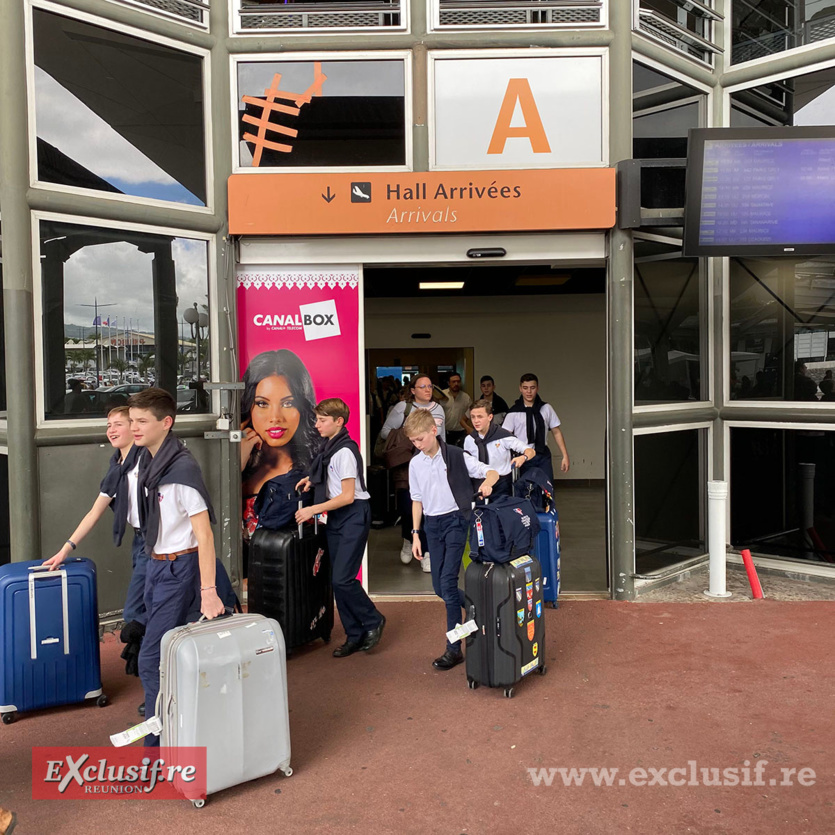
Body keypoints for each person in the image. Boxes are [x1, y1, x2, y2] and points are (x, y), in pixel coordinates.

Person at [129, 388, 224, 747]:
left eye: (142, 421)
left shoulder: (181, 470)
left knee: (153, 656)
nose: (134, 428)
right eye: (132, 420)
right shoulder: (148, 464)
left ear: (166, 423)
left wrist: (209, 591)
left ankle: (160, 746)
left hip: (178, 568)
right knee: (173, 653)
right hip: (157, 565)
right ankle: (184, 730)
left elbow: (205, 535)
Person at [42, 405, 149, 711]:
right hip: (141, 542)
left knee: (138, 613)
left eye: (118, 424)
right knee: (142, 614)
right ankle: (154, 683)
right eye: (109, 425)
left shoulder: (150, 460)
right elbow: (95, 511)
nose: (112, 430)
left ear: (135, 428)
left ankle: (156, 685)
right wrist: (66, 548)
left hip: (161, 545)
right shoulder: (117, 466)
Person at [405, 408, 499, 671]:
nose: (418, 445)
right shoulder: (416, 463)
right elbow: (417, 500)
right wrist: (415, 534)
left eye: (420, 439)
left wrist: (488, 482)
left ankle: (453, 648)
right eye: (413, 441)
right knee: (439, 587)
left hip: (457, 520)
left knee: (447, 583)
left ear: (433, 431)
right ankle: (477, 610)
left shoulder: (456, 456)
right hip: (431, 525)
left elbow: (490, 471)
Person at [295, 398, 385, 658]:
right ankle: (354, 635)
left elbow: (347, 496)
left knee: (342, 579)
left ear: (339, 422)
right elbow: (328, 475)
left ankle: (373, 620)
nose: (317, 425)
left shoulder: (344, 451)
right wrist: (312, 481)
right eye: (317, 419)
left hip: (352, 514)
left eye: (322, 420)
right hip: (338, 516)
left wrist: (313, 509)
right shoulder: (330, 447)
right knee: (338, 581)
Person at [240, 350, 319, 547]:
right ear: (248, 407)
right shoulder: (238, 466)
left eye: (288, 403)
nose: (275, 417)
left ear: (302, 408)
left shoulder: (315, 467)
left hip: (295, 574)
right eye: (262, 403)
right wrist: (236, 461)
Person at [380, 375, 446, 571]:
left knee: (429, 509)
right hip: (406, 465)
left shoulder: (439, 409)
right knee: (408, 508)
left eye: (430, 386)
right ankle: (408, 539)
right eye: (422, 386)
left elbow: (443, 436)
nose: (427, 390)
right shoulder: (403, 408)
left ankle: (426, 551)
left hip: (433, 464)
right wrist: (411, 437)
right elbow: (385, 432)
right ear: (412, 390)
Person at [502, 373, 570, 484]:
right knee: (525, 490)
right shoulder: (513, 412)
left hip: (542, 454)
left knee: (547, 488)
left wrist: (565, 456)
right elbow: (505, 437)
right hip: (523, 456)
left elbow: (556, 432)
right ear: (520, 389)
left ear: (537, 388)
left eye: (532, 388)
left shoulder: (546, 408)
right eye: (525, 388)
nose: (529, 392)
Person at [464, 399, 534, 497]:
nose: (476, 421)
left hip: (501, 485)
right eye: (473, 417)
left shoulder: (503, 436)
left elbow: (530, 451)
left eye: (480, 417)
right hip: (478, 484)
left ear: (490, 417)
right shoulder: (469, 439)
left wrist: (523, 457)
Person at [441, 372, 472, 448]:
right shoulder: (441, 395)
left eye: (458, 381)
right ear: (449, 383)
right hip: (445, 433)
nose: (456, 384)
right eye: (453, 382)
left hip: (460, 433)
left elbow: (472, 414)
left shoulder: (466, 397)